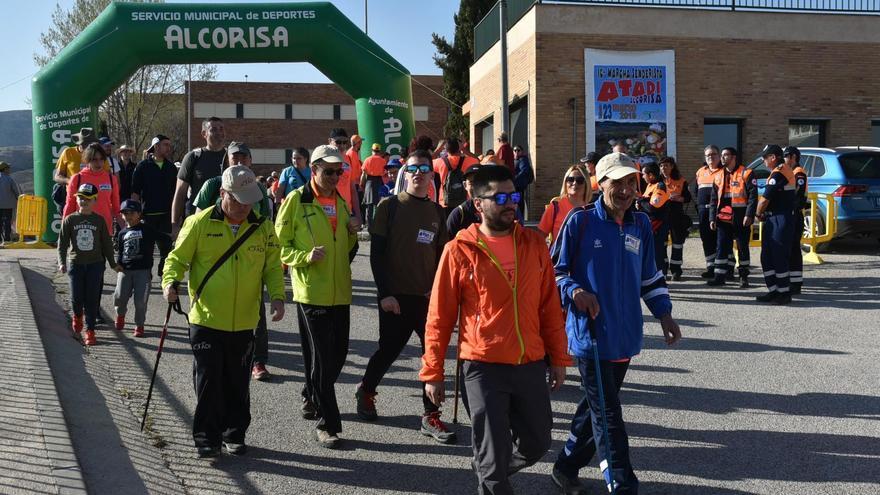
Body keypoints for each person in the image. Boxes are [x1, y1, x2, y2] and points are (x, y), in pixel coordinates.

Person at [421, 165, 571, 494]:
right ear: (478, 204)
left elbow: (549, 307)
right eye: (500, 197)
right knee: (492, 458)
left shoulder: (534, 244)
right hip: (483, 365)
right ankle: (491, 470)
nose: (510, 203)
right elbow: (439, 316)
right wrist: (433, 370)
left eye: (513, 196)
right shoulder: (459, 250)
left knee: (537, 443)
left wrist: (558, 356)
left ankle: (492, 466)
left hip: (529, 361)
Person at [551, 152, 681, 495]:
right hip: (590, 335)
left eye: (630, 183)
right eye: (617, 182)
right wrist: (575, 290)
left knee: (594, 407)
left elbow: (649, 276)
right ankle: (621, 484)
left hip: (624, 337)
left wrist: (664, 313)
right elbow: (555, 272)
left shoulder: (640, 225)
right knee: (608, 415)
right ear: (600, 184)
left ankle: (565, 465)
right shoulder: (579, 222)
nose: (625, 190)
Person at [162, 166, 286, 458]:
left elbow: (272, 266)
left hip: (245, 321)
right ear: (222, 194)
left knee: (238, 381)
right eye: (239, 199)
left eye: (250, 200)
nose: (245, 207)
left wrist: (278, 297)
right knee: (209, 380)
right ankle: (207, 436)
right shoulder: (199, 222)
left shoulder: (262, 226)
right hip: (206, 318)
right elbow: (176, 259)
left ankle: (234, 432)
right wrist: (170, 282)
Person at [355, 150, 453, 442]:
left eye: (424, 168)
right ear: (404, 173)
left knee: (431, 355)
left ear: (431, 175)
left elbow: (442, 259)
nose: (419, 173)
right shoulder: (390, 206)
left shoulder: (438, 212)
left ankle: (431, 415)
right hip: (394, 298)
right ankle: (366, 391)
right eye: (413, 168)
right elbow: (376, 255)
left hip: (426, 300)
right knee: (388, 350)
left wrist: (435, 290)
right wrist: (385, 293)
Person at [275, 144, 359, 449]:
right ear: (313, 170)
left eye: (339, 171)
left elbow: (347, 247)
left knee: (337, 354)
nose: (336, 176)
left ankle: (310, 394)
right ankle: (328, 424)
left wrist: (352, 230)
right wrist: (304, 257)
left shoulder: (341, 200)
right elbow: (279, 246)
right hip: (311, 291)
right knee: (323, 359)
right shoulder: (296, 201)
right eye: (329, 171)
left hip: (340, 291)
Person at [193, 142, 274, 381]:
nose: (239, 161)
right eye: (234, 157)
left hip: (249, 258)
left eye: (243, 157)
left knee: (255, 309)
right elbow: (197, 218)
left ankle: (258, 360)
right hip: (216, 258)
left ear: (250, 161)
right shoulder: (212, 185)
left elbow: (264, 224)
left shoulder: (257, 188)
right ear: (226, 160)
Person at [57, 183, 120, 346]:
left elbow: (106, 244)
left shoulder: (99, 220)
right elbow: (62, 243)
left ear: (95, 200)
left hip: (95, 265)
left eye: (88, 198)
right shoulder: (70, 219)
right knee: (77, 298)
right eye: (81, 198)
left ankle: (90, 330)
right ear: (76, 199)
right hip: (76, 264)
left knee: (92, 299)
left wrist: (113, 263)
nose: (84, 201)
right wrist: (61, 262)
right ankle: (78, 316)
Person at [114, 199, 172, 337]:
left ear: (139, 214)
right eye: (125, 213)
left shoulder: (147, 229)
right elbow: (121, 251)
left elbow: (163, 238)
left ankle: (139, 325)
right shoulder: (122, 233)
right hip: (125, 271)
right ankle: (120, 316)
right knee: (120, 297)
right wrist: (118, 263)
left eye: (131, 213)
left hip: (143, 272)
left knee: (140, 301)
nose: (128, 216)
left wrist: (175, 235)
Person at [708, 147, 758, 288]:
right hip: (723, 216)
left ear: (734, 157)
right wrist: (712, 218)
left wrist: (749, 215)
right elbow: (713, 200)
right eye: (722, 155)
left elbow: (753, 197)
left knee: (742, 246)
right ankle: (719, 276)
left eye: (725, 155)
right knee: (722, 246)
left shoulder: (746, 173)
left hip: (741, 215)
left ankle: (743, 277)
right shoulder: (718, 176)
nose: (723, 158)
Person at [754, 144, 796, 305]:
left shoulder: (779, 173)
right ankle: (774, 290)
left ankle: (783, 293)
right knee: (767, 256)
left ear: (773, 157)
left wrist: (757, 214)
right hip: (774, 218)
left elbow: (765, 199)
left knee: (778, 256)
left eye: (765, 157)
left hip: (780, 218)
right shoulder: (779, 171)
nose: (763, 160)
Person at [131, 134, 177, 277]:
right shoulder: (142, 166)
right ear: (156, 146)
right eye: (165, 145)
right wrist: (134, 215)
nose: (168, 148)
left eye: (169, 145)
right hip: (147, 216)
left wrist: (178, 217)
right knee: (147, 249)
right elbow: (135, 192)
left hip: (166, 216)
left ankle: (163, 272)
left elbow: (177, 193)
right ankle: (146, 274)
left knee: (166, 249)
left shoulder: (171, 167)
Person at [172, 116, 227, 233]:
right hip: (197, 221)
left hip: (225, 223)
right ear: (204, 134)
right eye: (214, 129)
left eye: (221, 129)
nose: (219, 132)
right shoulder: (193, 157)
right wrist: (175, 225)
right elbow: (180, 193)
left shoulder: (231, 157)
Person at [63, 143, 121, 235]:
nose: (99, 163)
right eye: (95, 160)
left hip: (105, 229)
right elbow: (69, 205)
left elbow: (116, 207)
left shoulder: (111, 179)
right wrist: (64, 231)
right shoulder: (77, 178)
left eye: (101, 159)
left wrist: (125, 228)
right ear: (87, 160)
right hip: (81, 229)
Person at [52, 128, 106, 212]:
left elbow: (108, 175)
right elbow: (57, 176)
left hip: (94, 199)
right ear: (79, 143)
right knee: (71, 222)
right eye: (86, 144)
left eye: (91, 143)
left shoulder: (99, 155)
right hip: (72, 198)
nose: (89, 146)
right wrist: (71, 181)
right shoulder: (68, 152)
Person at [538, 164, 590, 245]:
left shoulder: (592, 210)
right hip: (559, 257)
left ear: (586, 184)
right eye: (571, 179)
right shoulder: (555, 207)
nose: (574, 183)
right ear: (565, 182)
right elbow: (539, 238)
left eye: (580, 180)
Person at [695, 145, 726, 278]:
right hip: (703, 211)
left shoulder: (724, 171)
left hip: (719, 210)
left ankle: (724, 268)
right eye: (708, 155)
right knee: (706, 239)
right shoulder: (700, 171)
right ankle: (710, 266)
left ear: (719, 156)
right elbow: (696, 190)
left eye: (713, 154)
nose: (710, 157)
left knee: (721, 239)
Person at [658, 157, 691, 281]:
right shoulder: (657, 181)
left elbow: (687, 198)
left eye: (666, 165)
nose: (663, 168)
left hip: (677, 215)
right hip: (661, 216)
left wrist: (678, 198)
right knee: (662, 244)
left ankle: (676, 270)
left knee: (677, 244)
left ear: (672, 166)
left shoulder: (681, 180)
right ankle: (663, 269)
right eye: (661, 166)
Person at [637, 160, 671, 275]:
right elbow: (646, 202)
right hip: (650, 223)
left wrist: (641, 202)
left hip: (658, 225)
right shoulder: (650, 185)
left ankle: (660, 276)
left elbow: (653, 207)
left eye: (643, 174)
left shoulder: (660, 186)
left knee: (657, 252)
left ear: (651, 175)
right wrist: (641, 202)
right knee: (650, 251)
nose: (642, 177)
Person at [433, 137, 479, 216]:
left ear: (446, 150)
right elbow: (477, 160)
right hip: (464, 201)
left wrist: (438, 149)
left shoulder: (440, 162)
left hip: (445, 202)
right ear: (459, 148)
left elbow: (427, 161)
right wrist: (464, 149)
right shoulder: (469, 161)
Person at [329, 128, 363, 228]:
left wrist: (358, 214)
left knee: (351, 243)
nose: (342, 145)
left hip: (346, 211)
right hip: (329, 212)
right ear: (330, 141)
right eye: (338, 142)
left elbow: (352, 188)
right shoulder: (323, 160)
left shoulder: (348, 159)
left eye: (345, 142)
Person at [785, 146, 808, 295]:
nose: (784, 159)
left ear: (793, 157)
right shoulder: (792, 172)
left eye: (786, 156)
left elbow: (796, 195)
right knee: (790, 248)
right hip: (791, 213)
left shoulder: (798, 173)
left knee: (793, 249)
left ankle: (796, 283)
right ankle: (792, 280)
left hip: (795, 214)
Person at [445, 164, 483, 238]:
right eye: (471, 182)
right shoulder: (459, 214)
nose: (476, 186)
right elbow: (448, 246)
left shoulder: (498, 210)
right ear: (465, 185)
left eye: (481, 181)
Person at [360, 143, 388, 228]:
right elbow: (385, 174)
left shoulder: (367, 160)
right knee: (379, 205)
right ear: (379, 151)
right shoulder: (383, 161)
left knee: (369, 206)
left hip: (369, 182)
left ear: (372, 151)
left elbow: (363, 174)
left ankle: (370, 226)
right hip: (379, 182)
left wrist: (362, 184)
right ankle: (378, 225)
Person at [0, 161, 21, 243]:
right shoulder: (9, 179)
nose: (9, 170)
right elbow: (16, 191)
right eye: (8, 168)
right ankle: (7, 239)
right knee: (7, 222)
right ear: (4, 169)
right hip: (8, 205)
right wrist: (19, 199)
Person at [512, 145, 534, 218]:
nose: (516, 152)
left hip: (519, 185)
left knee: (518, 202)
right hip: (516, 185)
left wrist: (514, 178)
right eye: (515, 150)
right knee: (516, 201)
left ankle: (520, 218)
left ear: (522, 151)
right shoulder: (515, 160)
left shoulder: (523, 159)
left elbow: (524, 171)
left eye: (518, 150)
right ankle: (518, 217)